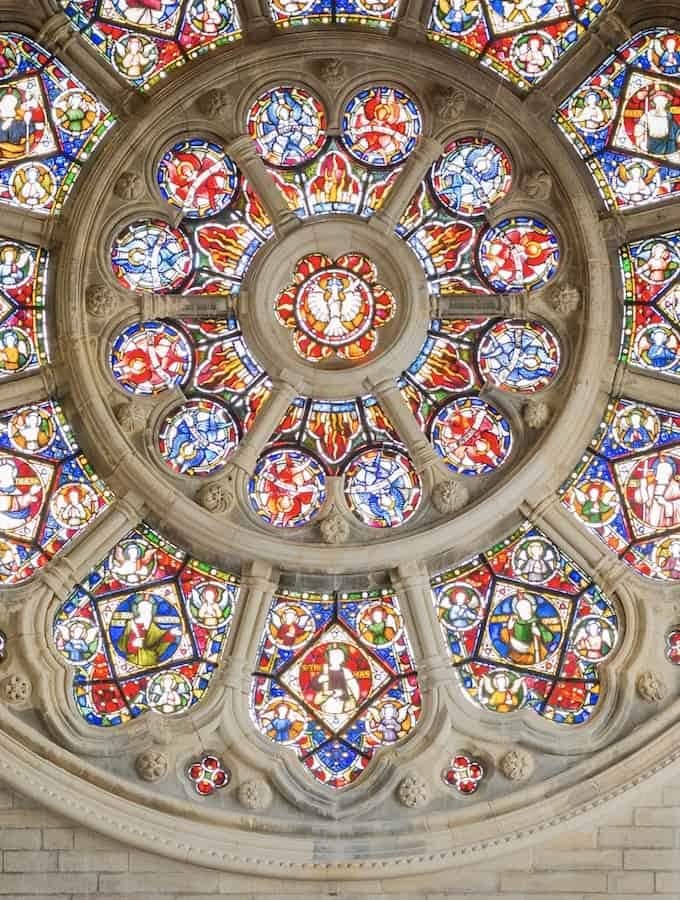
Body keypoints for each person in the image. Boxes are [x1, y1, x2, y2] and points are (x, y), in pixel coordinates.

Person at [498, 591, 557, 666]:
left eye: (527, 608)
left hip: (533, 653)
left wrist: (539, 633)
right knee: (504, 632)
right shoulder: (515, 623)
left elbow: (549, 637)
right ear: (518, 611)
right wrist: (510, 628)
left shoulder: (535, 624)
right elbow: (506, 638)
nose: (525, 611)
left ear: (531, 609)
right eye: (521, 610)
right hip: (516, 653)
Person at [116, 596, 176, 668]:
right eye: (145, 610)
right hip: (134, 660)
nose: (147, 613)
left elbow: (160, 637)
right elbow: (121, 643)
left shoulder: (152, 626)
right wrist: (132, 644)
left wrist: (171, 633)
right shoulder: (131, 624)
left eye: (149, 610)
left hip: (151, 659)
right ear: (139, 610)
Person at [310, 645, 361, 717]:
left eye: (338, 656)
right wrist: (320, 679)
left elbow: (353, 685)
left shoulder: (346, 671)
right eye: (332, 656)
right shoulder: (325, 670)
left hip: (341, 699)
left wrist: (354, 697)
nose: (335, 658)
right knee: (327, 713)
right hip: (327, 699)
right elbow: (314, 684)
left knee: (341, 714)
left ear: (343, 658)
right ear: (328, 658)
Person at [633, 87, 680, 157]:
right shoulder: (648, 115)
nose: (661, 103)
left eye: (664, 100)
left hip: (668, 146)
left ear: (667, 102)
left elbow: (675, 131)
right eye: (658, 100)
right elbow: (639, 130)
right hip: (650, 144)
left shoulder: (669, 116)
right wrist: (641, 143)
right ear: (654, 101)